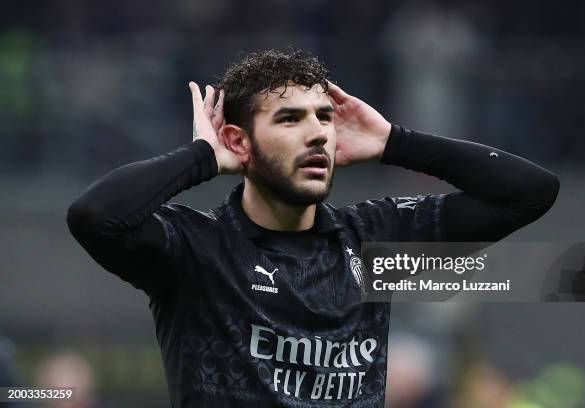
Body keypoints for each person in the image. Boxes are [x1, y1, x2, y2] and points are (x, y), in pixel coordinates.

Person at [66, 50, 559, 407]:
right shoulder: (195, 249)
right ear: (240, 141)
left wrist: (395, 141)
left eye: (324, 116)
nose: (317, 132)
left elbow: (530, 192)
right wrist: (202, 157)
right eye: (289, 119)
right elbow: (95, 216)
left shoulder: (373, 242)